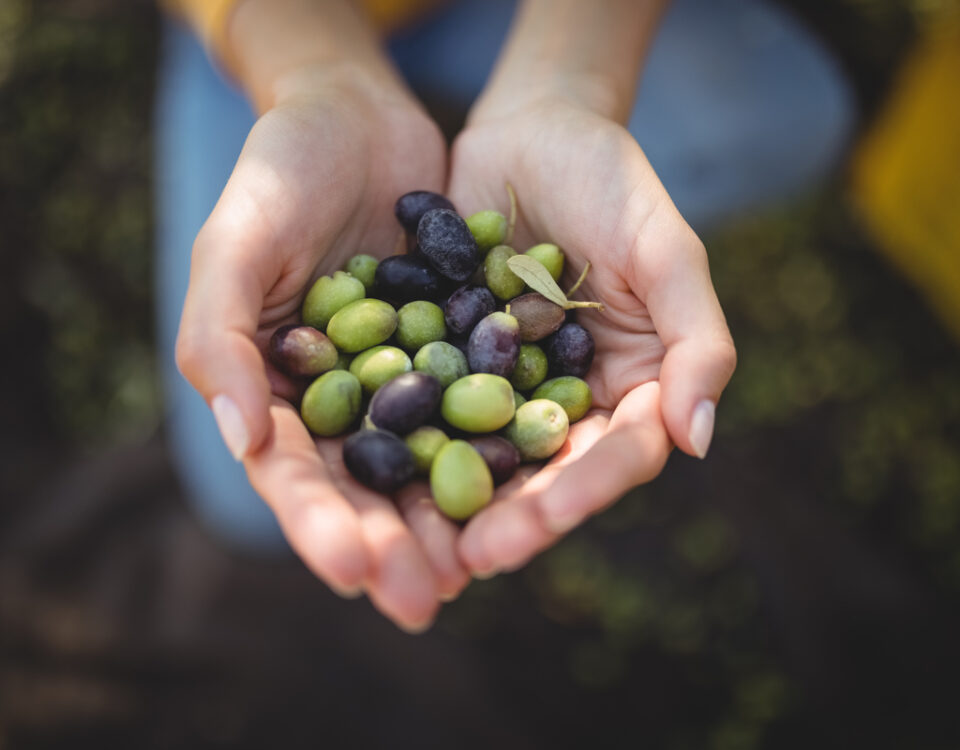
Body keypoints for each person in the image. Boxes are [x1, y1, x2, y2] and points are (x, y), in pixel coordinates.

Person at [157, 0, 852, 632]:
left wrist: (566, 88)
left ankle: (536, 139)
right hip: (280, 29)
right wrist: (317, 78)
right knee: (242, 494)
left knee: (795, 117)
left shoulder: (490, 333)